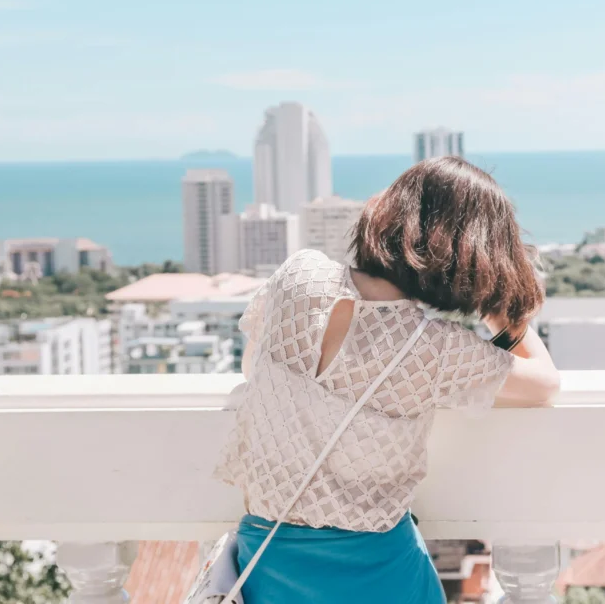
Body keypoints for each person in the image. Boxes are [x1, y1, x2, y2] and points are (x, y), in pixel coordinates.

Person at [214, 156, 560, 603]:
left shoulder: (298, 278)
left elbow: (255, 368)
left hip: (269, 562)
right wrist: (499, 311)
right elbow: (545, 385)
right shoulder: (434, 348)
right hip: (380, 574)